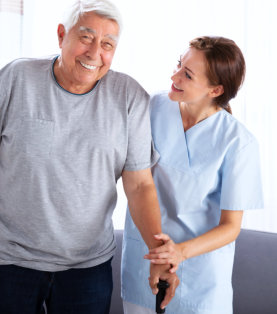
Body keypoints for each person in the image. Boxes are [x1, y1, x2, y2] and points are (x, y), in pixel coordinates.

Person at [0, 1, 179, 313]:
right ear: (61, 35)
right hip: (9, 260)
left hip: (87, 268)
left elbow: (139, 186)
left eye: (107, 44)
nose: (95, 52)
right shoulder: (17, 78)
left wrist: (157, 253)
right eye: (86, 38)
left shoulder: (129, 96)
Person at [122, 36, 264, 314]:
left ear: (215, 90)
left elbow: (230, 227)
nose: (174, 76)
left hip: (200, 279)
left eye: (187, 74)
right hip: (145, 264)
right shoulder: (151, 109)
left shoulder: (238, 142)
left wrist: (178, 253)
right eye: (179, 65)